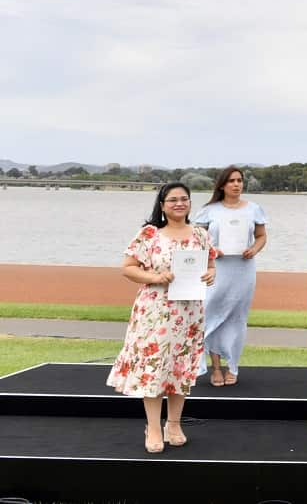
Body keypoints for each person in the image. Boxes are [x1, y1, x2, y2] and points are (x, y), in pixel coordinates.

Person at [108, 183, 216, 454]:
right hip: (155, 311)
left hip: (189, 312)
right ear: (162, 204)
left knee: (181, 367)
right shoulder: (150, 235)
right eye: (173, 200)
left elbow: (210, 264)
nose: (179, 204)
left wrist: (210, 274)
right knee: (155, 366)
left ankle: (175, 423)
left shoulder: (201, 235)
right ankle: (154, 427)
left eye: (184, 199)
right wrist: (156, 278)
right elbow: (128, 268)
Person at [194, 165, 267, 387]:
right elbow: (196, 239)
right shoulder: (210, 210)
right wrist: (212, 250)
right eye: (232, 181)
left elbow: (261, 236)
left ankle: (232, 366)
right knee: (212, 315)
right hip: (217, 269)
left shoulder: (253, 209)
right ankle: (215, 367)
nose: (236, 184)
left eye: (239, 180)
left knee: (236, 319)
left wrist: (253, 250)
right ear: (222, 185)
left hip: (243, 270)